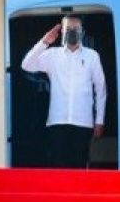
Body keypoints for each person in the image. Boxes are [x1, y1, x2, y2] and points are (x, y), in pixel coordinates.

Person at [20, 15, 107, 168]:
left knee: (79, 167)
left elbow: (100, 89)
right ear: (62, 31)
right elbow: (26, 65)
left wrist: (99, 121)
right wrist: (44, 42)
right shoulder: (52, 55)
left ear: (82, 32)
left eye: (75, 29)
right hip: (57, 122)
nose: (72, 32)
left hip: (83, 123)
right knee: (58, 168)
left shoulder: (92, 56)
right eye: (68, 29)